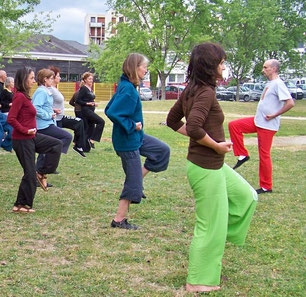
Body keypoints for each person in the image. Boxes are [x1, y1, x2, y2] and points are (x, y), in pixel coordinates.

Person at [166, 43, 257, 292]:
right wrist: (215, 146)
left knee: (246, 196)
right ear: (210, 66)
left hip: (212, 166)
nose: (224, 67)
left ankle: (220, 233)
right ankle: (198, 281)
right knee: (208, 225)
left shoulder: (193, 89)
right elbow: (192, 126)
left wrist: (208, 145)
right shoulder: (204, 92)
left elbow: (173, 121)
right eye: (222, 62)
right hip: (205, 167)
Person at [105, 54, 170, 230]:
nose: (146, 70)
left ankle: (136, 181)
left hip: (136, 138)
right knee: (132, 183)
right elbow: (111, 112)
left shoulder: (127, 86)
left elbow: (109, 108)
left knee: (162, 151)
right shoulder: (127, 89)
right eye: (144, 67)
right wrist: (133, 125)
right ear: (135, 67)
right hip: (127, 142)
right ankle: (118, 220)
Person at [228, 59, 295, 194]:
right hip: (258, 121)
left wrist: (275, 115)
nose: (263, 70)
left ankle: (266, 186)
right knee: (234, 125)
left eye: (265, 68)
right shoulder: (270, 83)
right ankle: (242, 154)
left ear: (274, 69)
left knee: (264, 155)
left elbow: (290, 103)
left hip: (268, 125)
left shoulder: (278, 84)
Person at [7, 67, 62, 212]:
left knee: (56, 144)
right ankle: (21, 205)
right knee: (29, 174)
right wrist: (25, 130)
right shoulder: (19, 96)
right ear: (24, 79)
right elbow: (11, 119)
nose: (33, 81)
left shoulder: (25, 96)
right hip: (22, 139)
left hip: (32, 136)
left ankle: (42, 172)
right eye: (31, 78)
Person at [32, 69, 73, 180]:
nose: (53, 80)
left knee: (50, 147)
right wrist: (49, 115)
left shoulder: (45, 90)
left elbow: (43, 106)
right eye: (51, 78)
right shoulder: (42, 91)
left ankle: (40, 172)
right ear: (45, 79)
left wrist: (52, 111)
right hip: (43, 125)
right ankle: (42, 170)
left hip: (48, 123)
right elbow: (35, 108)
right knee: (66, 137)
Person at [49, 66, 87, 157]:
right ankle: (45, 164)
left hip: (61, 117)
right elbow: (45, 104)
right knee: (55, 143)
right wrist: (53, 110)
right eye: (58, 76)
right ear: (52, 77)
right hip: (55, 119)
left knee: (79, 122)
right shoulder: (49, 90)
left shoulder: (55, 89)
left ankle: (78, 146)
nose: (60, 78)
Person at [76, 72, 105, 149]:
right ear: (85, 80)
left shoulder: (90, 89)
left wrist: (93, 103)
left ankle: (85, 146)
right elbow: (78, 100)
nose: (91, 80)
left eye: (92, 79)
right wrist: (87, 103)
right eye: (89, 79)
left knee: (90, 128)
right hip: (86, 110)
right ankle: (92, 139)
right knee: (101, 122)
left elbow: (90, 99)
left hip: (91, 110)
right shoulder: (83, 88)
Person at [0, 77, 14, 153]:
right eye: (12, 82)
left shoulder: (12, 92)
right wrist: (9, 104)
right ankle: (5, 143)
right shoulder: (4, 92)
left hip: (11, 112)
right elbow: (1, 102)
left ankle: (7, 144)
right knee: (10, 129)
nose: (14, 84)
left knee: (11, 129)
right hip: (5, 112)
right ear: (8, 83)